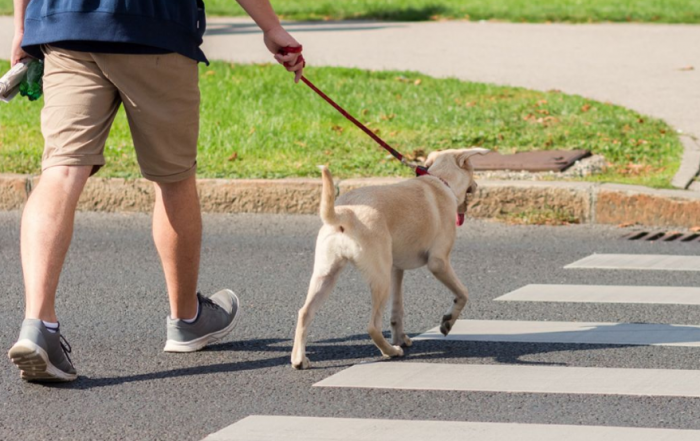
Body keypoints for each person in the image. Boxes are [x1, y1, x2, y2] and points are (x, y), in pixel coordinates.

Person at [7, 0, 305, 382]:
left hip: (66, 26)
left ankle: (38, 325)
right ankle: (186, 318)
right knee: (173, 178)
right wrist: (270, 27)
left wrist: (22, 28)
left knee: (61, 171)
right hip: (155, 27)